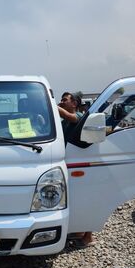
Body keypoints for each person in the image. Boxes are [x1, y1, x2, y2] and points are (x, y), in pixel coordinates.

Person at [59, 92, 95, 248]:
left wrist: (52, 107)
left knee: (85, 199)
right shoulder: (64, 121)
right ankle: (79, 231)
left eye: (65, 100)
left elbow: (69, 117)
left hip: (82, 165)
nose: (62, 102)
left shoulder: (79, 116)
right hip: (69, 163)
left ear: (74, 103)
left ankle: (88, 236)